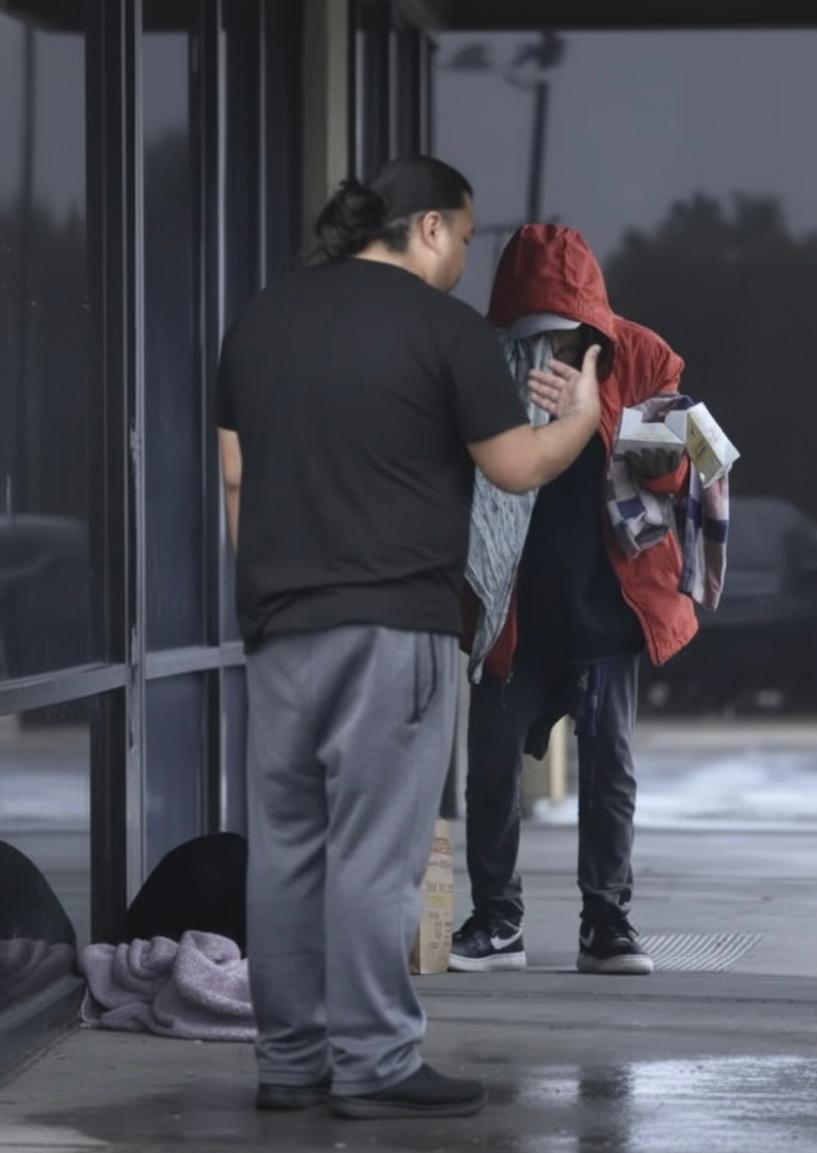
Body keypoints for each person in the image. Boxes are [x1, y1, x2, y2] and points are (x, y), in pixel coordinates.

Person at [216, 160, 601, 1120]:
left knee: (287, 847)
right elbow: (513, 470)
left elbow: (234, 475)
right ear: (426, 227)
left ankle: (290, 1061)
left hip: (279, 626)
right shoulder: (444, 333)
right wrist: (579, 421)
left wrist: (271, 578)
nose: (465, 259)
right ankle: (376, 1063)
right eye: (465, 238)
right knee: (372, 850)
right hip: (392, 626)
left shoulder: (259, 323)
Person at [450, 224, 698, 978]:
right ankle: (497, 919)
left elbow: (690, 469)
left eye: (563, 335)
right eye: (532, 336)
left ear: (591, 325)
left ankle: (607, 922)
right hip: (513, 609)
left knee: (608, 766)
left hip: (607, 602)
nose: (548, 350)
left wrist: (600, 417)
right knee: (491, 767)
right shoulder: (483, 364)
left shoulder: (643, 354)